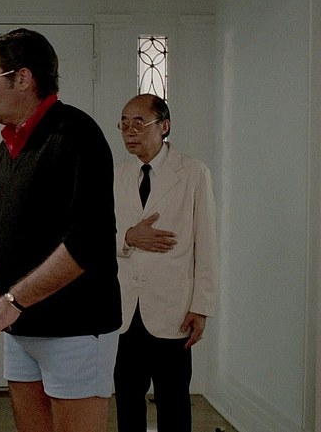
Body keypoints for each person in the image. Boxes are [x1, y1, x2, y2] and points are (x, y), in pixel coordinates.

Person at [0, 28, 121, 432]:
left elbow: (87, 243)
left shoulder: (77, 134)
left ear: (23, 78)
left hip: (76, 328)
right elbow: (1, 247)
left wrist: (10, 302)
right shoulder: (5, 151)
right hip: (21, 328)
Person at [112, 93, 218, 432]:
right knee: (127, 398)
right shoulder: (117, 176)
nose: (130, 131)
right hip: (126, 310)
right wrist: (128, 237)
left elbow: (207, 243)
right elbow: (97, 238)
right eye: (124, 124)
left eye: (139, 123)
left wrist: (201, 306)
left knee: (173, 402)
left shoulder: (193, 172)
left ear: (164, 126)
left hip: (173, 307)